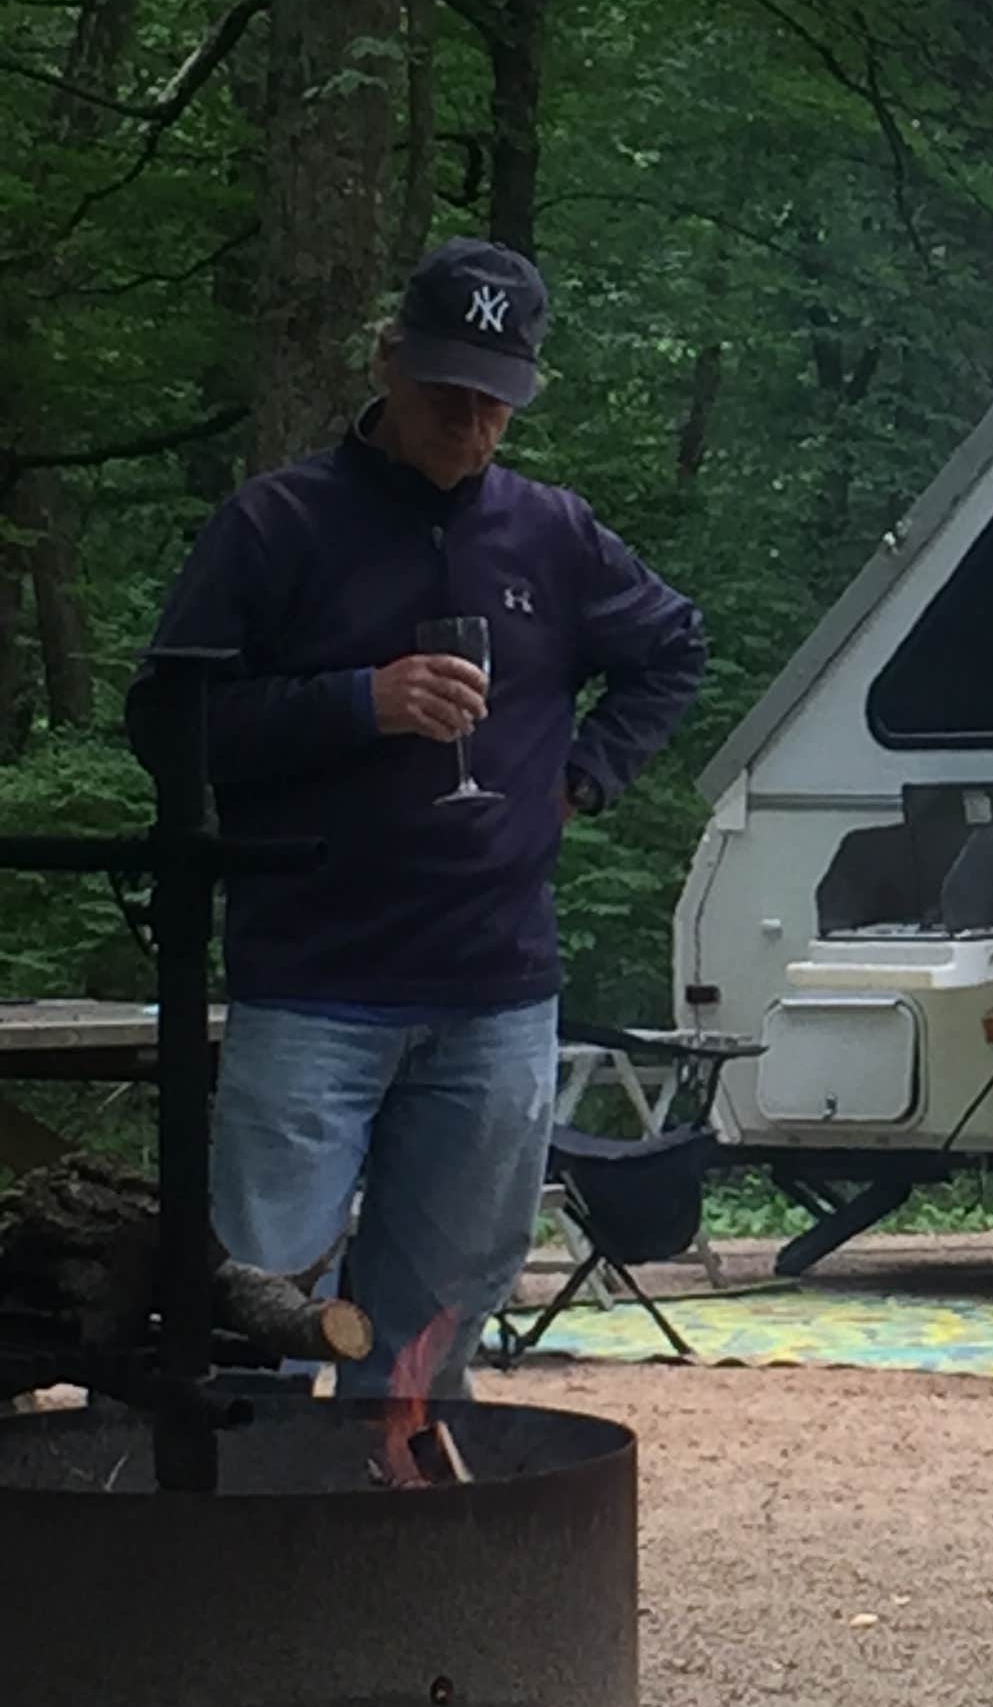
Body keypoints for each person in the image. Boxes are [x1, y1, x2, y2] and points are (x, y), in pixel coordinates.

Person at [129, 238, 706, 1397]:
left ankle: (403, 1542)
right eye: (448, 392)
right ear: (390, 362)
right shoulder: (276, 526)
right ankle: (251, 1551)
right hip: (312, 986)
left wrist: (586, 775)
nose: (471, 423)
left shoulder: (553, 535)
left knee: (439, 1325)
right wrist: (358, 703)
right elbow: (169, 724)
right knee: (262, 1315)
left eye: (496, 401)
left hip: (494, 989)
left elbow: (674, 650)